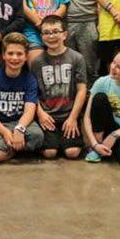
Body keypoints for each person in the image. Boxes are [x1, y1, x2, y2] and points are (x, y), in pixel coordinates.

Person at [0, 33, 44, 163]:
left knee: (38, 136)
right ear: (3, 55)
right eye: (10, 53)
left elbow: (29, 111)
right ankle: (14, 148)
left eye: (19, 54)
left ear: (26, 57)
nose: (14, 58)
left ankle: (10, 148)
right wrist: (5, 132)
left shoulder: (30, 79)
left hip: (22, 122)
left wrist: (19, 129)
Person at [32, 15, 87, 160]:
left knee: (72, 152)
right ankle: (54, 141)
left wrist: (74, 117)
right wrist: (40, 114)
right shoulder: (36, 62)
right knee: (50, 153)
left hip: (69, 114)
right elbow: (32, 93)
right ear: (42, 36)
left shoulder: (77, 58)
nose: (51, 36)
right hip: (48, 116)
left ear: (64, 34)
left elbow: (82, 90)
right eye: (47, 33)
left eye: (56, 31)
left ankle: (65, 140)